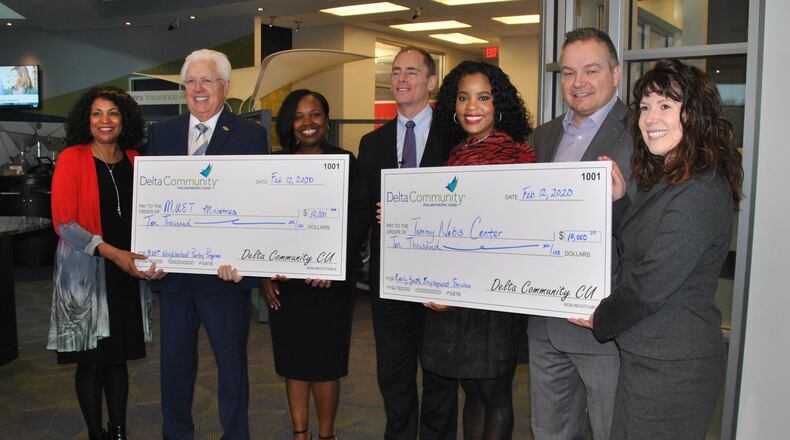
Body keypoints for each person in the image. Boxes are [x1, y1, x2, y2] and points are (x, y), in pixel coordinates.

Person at [570, 59, 743, 440]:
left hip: (673, 367)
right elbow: (641, 244)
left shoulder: (700, 188)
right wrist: (618, 201)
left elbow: (651, 283)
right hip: (647, 355)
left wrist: (600, 317)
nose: (651, 119)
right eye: (645, 107)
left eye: (666, 106)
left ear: (695, 114)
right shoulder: (670, 175)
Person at [147, 48, 269, 440]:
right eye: (191, 82)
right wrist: (152, 252)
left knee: (231, 368)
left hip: (224, 278)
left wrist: (245, 258)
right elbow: (153, 202)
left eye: (207, 81)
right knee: (175, 368)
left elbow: (257, 205)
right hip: (175, 276)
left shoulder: (251, 135)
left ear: (225, 87)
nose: (198, 89)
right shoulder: (162, 133)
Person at [526, 27, 632, 440]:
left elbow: (649, 229)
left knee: (611, 431)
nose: (578, 83)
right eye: (568, 73)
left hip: (603, 324)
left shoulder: (643, 134)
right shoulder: (544, 135)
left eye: (591, 70)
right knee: (550, 432)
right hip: (545, 322)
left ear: (616, 74)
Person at [421, 60, 535, 440]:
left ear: (498, 104)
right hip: (456, 296)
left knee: (494, 391)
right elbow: (445, 223)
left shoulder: (517, 157)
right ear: (453, 106)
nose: (472, 106)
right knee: (469, 387)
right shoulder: (454, 154)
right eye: (464, 98)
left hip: (494, 298)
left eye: (483, 97)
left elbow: (514, 234)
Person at [47, 86, 164, 440]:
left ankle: (118, 431)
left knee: (118, 358)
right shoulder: (72, 157)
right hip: (86, 273)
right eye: (97, 113)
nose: (105, 120)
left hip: (126, 274)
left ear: (124, 119)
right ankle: (95, 434)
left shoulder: (136, 160)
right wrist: (114, 253)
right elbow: (64, 222)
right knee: (91, 361)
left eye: (112, 112)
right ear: (87, 119)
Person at [356, 46, 459, 440]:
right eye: (396, 71)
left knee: (440, 378)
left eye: (411, 72)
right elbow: (363, 212)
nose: (401, 79)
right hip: (390, 282)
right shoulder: (372, 143)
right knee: (394, 377)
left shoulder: (455, 139)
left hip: (440, 283)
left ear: (431, 82)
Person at [261, 89, 366, 440]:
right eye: (299, 117)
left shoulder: (347, 163)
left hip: (329, 284)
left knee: (325, 364)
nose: (308, 123)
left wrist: (332, 266)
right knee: (294, 360)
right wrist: (263, 272)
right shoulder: (274, 167)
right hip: (287, 283)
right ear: (289, 125)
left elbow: (359, 219)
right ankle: (299, 433)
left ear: (327, 119)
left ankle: (326, 435)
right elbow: (263, 223)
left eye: (315, 114)